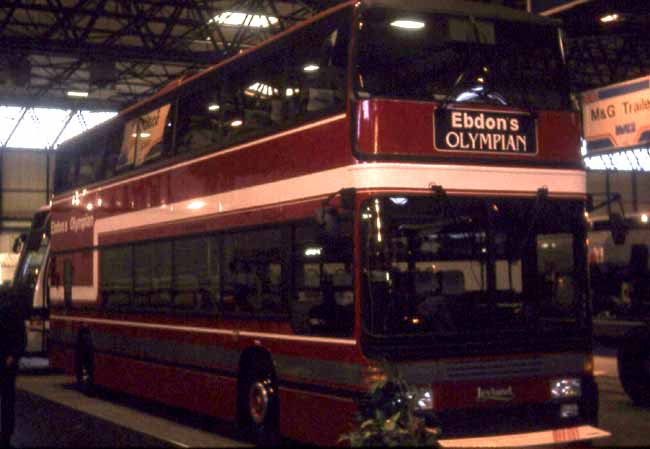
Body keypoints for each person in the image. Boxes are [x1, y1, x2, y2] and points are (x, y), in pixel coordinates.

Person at [0, 294, 27, 447]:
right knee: (8, 400)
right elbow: (22, 340)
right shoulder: (15, 315)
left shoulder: (4, 313)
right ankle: (6, 434)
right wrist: (13, 356)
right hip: (9, 365)